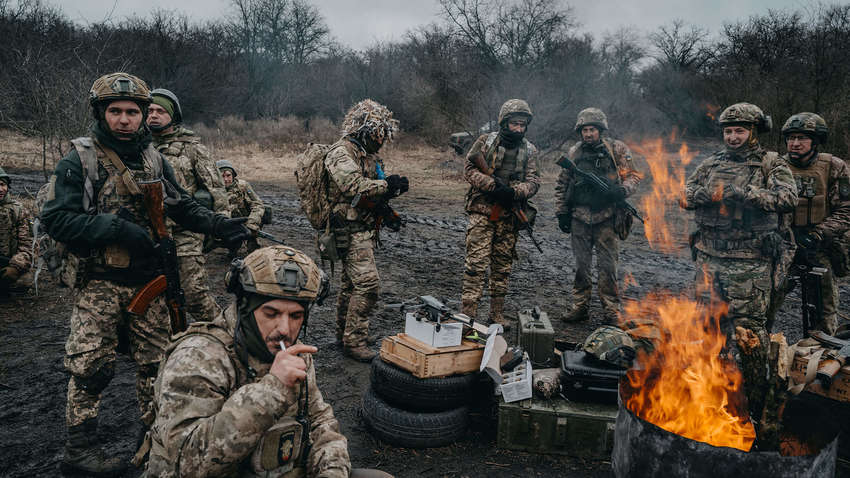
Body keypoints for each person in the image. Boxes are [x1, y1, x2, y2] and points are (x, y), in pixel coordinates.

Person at [40, 72, 250, 477]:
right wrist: (114, 229)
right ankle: (79, 451)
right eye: (115, 111)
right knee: (90, 368)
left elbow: (182, 206)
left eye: (132, 112)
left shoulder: (155, 159)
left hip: (149, 284)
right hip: (100, 283)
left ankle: (153, 439)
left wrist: (219, 225)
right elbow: (56, 219)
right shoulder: (80, 159)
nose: (124, 119)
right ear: (101, 114)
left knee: (157, 365)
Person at [144, 245, 391, 478]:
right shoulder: (199, 356)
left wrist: (332, 471)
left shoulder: (294, 353)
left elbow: (320, 423)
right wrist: (273, 390)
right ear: (245, 308)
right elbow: (188, 464)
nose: (284, 328)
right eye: (271, 313)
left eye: (296, 316)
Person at [680, 102, 797, 427]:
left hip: (749, 264)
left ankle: (751, 408)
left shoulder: (771, 163)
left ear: (754, 132)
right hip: (709, 260)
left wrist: (745, 194)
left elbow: (788, 198)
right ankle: (708, 396)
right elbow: (685, 195)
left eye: (740, 131)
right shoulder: (710, 163)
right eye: (729, 131)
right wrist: (710, 194)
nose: (733, 137)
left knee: (749, 337)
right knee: (707, 330)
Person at [325, 99, 407, 362]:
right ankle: (355, 340)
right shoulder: (341, 152)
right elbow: (352, 185)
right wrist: (386, 185)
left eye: (384, 133)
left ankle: (346, 334)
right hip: (346, 228)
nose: (381, 138)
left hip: (362, 226)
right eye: (377, 132)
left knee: (351, 286)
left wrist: (388, 203)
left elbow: (371, 190)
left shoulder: (368, 154)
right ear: (363, 128)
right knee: (368, 285)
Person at [149, 88, 230, 320]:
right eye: (150, 110)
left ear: (173, 115)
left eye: (160, 111)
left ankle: (224, 338)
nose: (153, 115)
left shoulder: (193, 148)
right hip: (149, 233)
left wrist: (219, 228)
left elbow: (216, 191)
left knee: (194, 295)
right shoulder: (138, 148)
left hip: (186, 234)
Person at [555, 108, 641, 325]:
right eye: (584, 130)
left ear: (601, 130)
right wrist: (561, 211)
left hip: (607, 218)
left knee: (608, 268)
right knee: (581, 267)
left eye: (592, 129)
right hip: (580, 218)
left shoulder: (617, 149)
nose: (588, 134)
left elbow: (633, 176)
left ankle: (611, 311)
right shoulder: (574, 151)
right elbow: (563, 182)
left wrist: (621, 191)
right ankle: (580, 306)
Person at [460, 99, 540, 328]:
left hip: (509, 217)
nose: (518, 129)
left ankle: (496, 315)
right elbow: (469, 169)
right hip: (482, 213)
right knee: (475, 266)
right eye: (514, 123)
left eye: (522, 125)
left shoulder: (530, 150)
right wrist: (492, 186)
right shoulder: (486, 142)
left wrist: (514, 192)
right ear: (504, 122)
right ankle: (467, 317)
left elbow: (534, 182)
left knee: (502, 267)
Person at [771, 112, 850, 334]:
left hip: (818, 246)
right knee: (766, 301)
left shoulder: (833, 166)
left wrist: (819, 234)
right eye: (791, 138)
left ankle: (822, 357)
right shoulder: (775, 166)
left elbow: (846, 210)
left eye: (802, 138)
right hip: (783, 245)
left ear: (815, 142)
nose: (794, 144)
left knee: (825, 309)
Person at [216, 159, 266, 257]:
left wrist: (251, 224)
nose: (226, 179)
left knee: (253, 251)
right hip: (226, 225)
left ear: (233, 175)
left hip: (245, 222)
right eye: (222, 176)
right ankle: (232, 247)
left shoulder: (242, 186)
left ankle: (252, 243)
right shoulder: (213, 190)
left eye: (228, 175)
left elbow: (258, 204)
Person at [0, 166, 33, 293]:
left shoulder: (19, 211)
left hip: (9, 263)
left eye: (2, 184)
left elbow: (28, 246)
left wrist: (15, 266)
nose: (0, 189)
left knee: (24, 281)